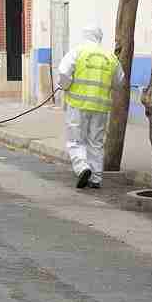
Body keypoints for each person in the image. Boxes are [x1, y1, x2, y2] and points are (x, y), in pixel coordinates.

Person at [56, 25, 124, 189]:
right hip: (100, 106)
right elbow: (120, 82)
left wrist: (66, 86)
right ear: (99, 37)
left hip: (78, 104)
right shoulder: (110, 57)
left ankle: (82, 168)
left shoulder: (77, 52)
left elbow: (64, 73)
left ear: (84, 35)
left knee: (76, 140)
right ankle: (96, 177)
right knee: (96, 142)